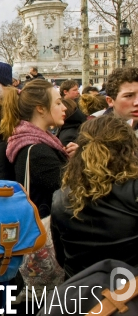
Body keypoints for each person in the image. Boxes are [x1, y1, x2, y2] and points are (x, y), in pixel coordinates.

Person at [51, 116, 138, 278]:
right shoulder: (133, 189)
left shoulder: (61, 197)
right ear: (128, 149)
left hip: (82, 289)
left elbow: (61, 257)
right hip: (128, 290)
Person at [0, 79, 75, 218]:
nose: (64, 107)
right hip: (46, 229)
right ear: (41, 108)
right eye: (58, 103)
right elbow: (73, 187)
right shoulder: (37, 152)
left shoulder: (34, 142)